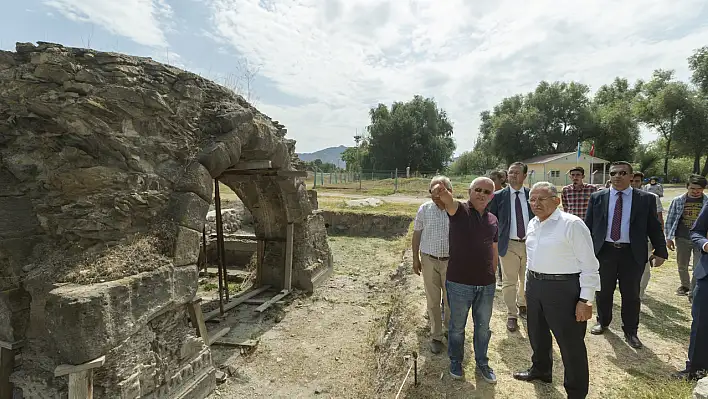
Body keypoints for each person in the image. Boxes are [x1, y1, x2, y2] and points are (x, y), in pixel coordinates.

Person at [513, 182, 600, 399]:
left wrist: (585, 299)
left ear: (556, 200)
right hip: (535, 286)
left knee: (570, 344)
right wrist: (527, 287)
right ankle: (541, 370)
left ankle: (576, 391)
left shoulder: (572, 224)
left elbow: (589, 264)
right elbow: (532, 258)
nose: (536, 204)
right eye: (532, 199)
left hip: (564, 288)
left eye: (541, 199)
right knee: (537, 333)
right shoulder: (533, 223)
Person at [584, 161, 668, 349]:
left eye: (622, 173)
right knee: (603, 291)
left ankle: (631, 331)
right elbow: (588, 226)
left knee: (631, 295)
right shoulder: (597, 197)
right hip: (604, 251)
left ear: (631, 177)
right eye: (614, 173)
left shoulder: (645, 199)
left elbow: (654, 227)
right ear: (610, 176)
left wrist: (660, 250)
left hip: (632, 253)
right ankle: (603, 322)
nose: (617, 176)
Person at [434, 177, 499, 383]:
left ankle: (482, 362)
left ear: (492, 197)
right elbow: (447, 199)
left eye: (487, 192)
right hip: (459, 283)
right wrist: (440, 190)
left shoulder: (493, 220)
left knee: (483, 328)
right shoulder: (459, 211)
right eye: (478, 189)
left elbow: (494, 249)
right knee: (457, 327)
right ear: (470, 191)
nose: (482, 194)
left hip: (486, 285)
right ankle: (456, 361)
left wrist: (493, 276)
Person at [489, 162, 534, 332]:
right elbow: (491, 220)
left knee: (527, 279)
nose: (513, 175)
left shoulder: (532, 195)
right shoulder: (499, 196)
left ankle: (523, 305)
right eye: (511, 173)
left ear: (524, 176)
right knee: (509, 281)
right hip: (508, 244)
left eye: (517, 173)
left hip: (530, 245)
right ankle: (511, 314)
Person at [412, 176, 453, 354]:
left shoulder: (456, 210)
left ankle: (451, 332)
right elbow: (417, 234)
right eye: (432, 192)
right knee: (433, 300)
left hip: (452, 262)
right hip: (429, 260)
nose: (436, 196)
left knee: (451, 300)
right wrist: (415, 258)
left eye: (440, 191)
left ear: (449, 191)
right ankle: (436, 336)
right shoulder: (424, 209)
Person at [674, 202, 708, 380]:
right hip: (707, 275)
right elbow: (697, 231)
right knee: (701, 322)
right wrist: (704, 244)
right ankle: (695, 369)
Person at [665, 174, 708, 299]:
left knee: (697, 266)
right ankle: (685, 285)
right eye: (692, 188)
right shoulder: (678, 200)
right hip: (682, 238)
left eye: (699, 189)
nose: (695, 191)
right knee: (682, 264)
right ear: (687, 187)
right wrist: (669, 237)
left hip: (701, 240)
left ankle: (693, 292)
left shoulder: (706, 202)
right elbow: (670, 219)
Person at [630, 172, 664, 300]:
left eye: (637, 181)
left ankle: (639, 294)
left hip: (645, 240)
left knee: (644, 268)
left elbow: (659, 219)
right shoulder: (620, 196)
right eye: (632, 181)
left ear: (642, 182)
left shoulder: (652, 197)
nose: (634, 184)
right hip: (625, 241)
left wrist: (660, 242)